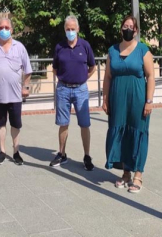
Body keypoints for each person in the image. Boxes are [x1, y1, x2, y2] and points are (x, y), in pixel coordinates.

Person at [102, 15, 154, 193]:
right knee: (121, 133)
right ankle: (125, 173)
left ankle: (138, 175)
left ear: (136, 31)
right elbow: (107, 77)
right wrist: (105, 99)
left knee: (138, 133)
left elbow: (151, 76)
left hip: (138, 100)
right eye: (125, 26)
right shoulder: (113, 51)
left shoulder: (143, 50)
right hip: (118, 101)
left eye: (131, 26)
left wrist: (149, 101)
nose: (128, 29)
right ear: (120, 29)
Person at [0, 18, 33, 166]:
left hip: (16, 95)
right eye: (1, 27)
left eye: (6, 27)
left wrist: (26, 87)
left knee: (16, 124)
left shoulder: (19, 47)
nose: (4, 30)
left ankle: (16, 151)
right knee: (0, 124)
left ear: (11, 30)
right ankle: (2, 151)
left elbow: (28, 70)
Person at [50, 15, 96, 170]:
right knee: (63, 123)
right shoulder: (59, 47)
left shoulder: (85, 45)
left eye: (73, 29)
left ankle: (87, 156)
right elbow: (55, 68)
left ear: (78, 29)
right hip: (63, 89)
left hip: (81, 90)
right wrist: (64, 80)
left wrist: (82, 79)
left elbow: (92, 67)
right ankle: (62, 154)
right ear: (64, 29)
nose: (70, 32)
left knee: (84, 124)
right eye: (68, 29)